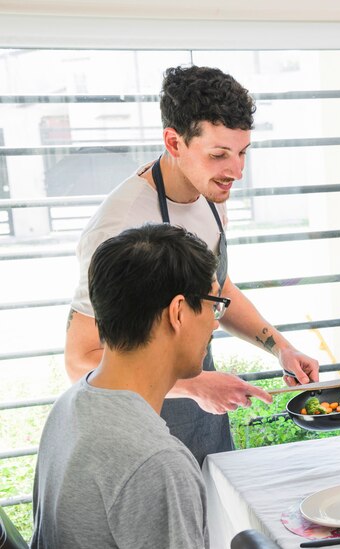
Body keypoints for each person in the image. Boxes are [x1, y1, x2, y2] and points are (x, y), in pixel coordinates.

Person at [64, 65, 318, 464]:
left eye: (242, 153)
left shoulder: (212, 195)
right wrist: (194, 385)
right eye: (219, 155)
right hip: (142, 424)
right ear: (174, 141)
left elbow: (218, 289)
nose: (236, 171)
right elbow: (80, 360)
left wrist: (280, 348)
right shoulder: (118, 226)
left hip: (203, 406)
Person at [32, 223, 250, 549]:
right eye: (213, 306)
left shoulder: (71, 406)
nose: (216, 324)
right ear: (179, 312)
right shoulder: (154, 463)